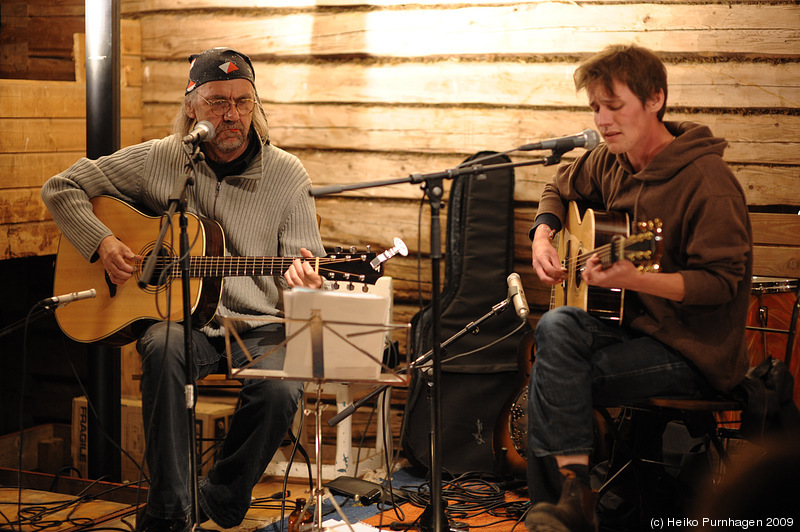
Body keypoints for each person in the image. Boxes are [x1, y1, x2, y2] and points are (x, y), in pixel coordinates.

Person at [41, 47, 326, 532]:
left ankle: (219, 499)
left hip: (259, 325)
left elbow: (303, 265)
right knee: (162, 345)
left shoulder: (287, 174)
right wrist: (103, 242)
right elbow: (61, 187)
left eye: (242, 101)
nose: (231, 115)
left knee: (280, 391)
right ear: (191, 104)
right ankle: (171, 513)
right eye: (217, 101)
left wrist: (303, 280)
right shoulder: (162, 158)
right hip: (182, 317)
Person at [525, 44, 753, 532]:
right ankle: (573, 497)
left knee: (553, 375)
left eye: (614, 105)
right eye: (594, 108)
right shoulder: (611, 161)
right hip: (629, 329)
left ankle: (560, 507)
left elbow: (722, 283)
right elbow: (558, 186)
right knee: (559, 323)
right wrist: (543, 233)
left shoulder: (708, 183)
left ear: (655, 99)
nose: (603, 120)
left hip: (694, 351)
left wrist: (638, 278)